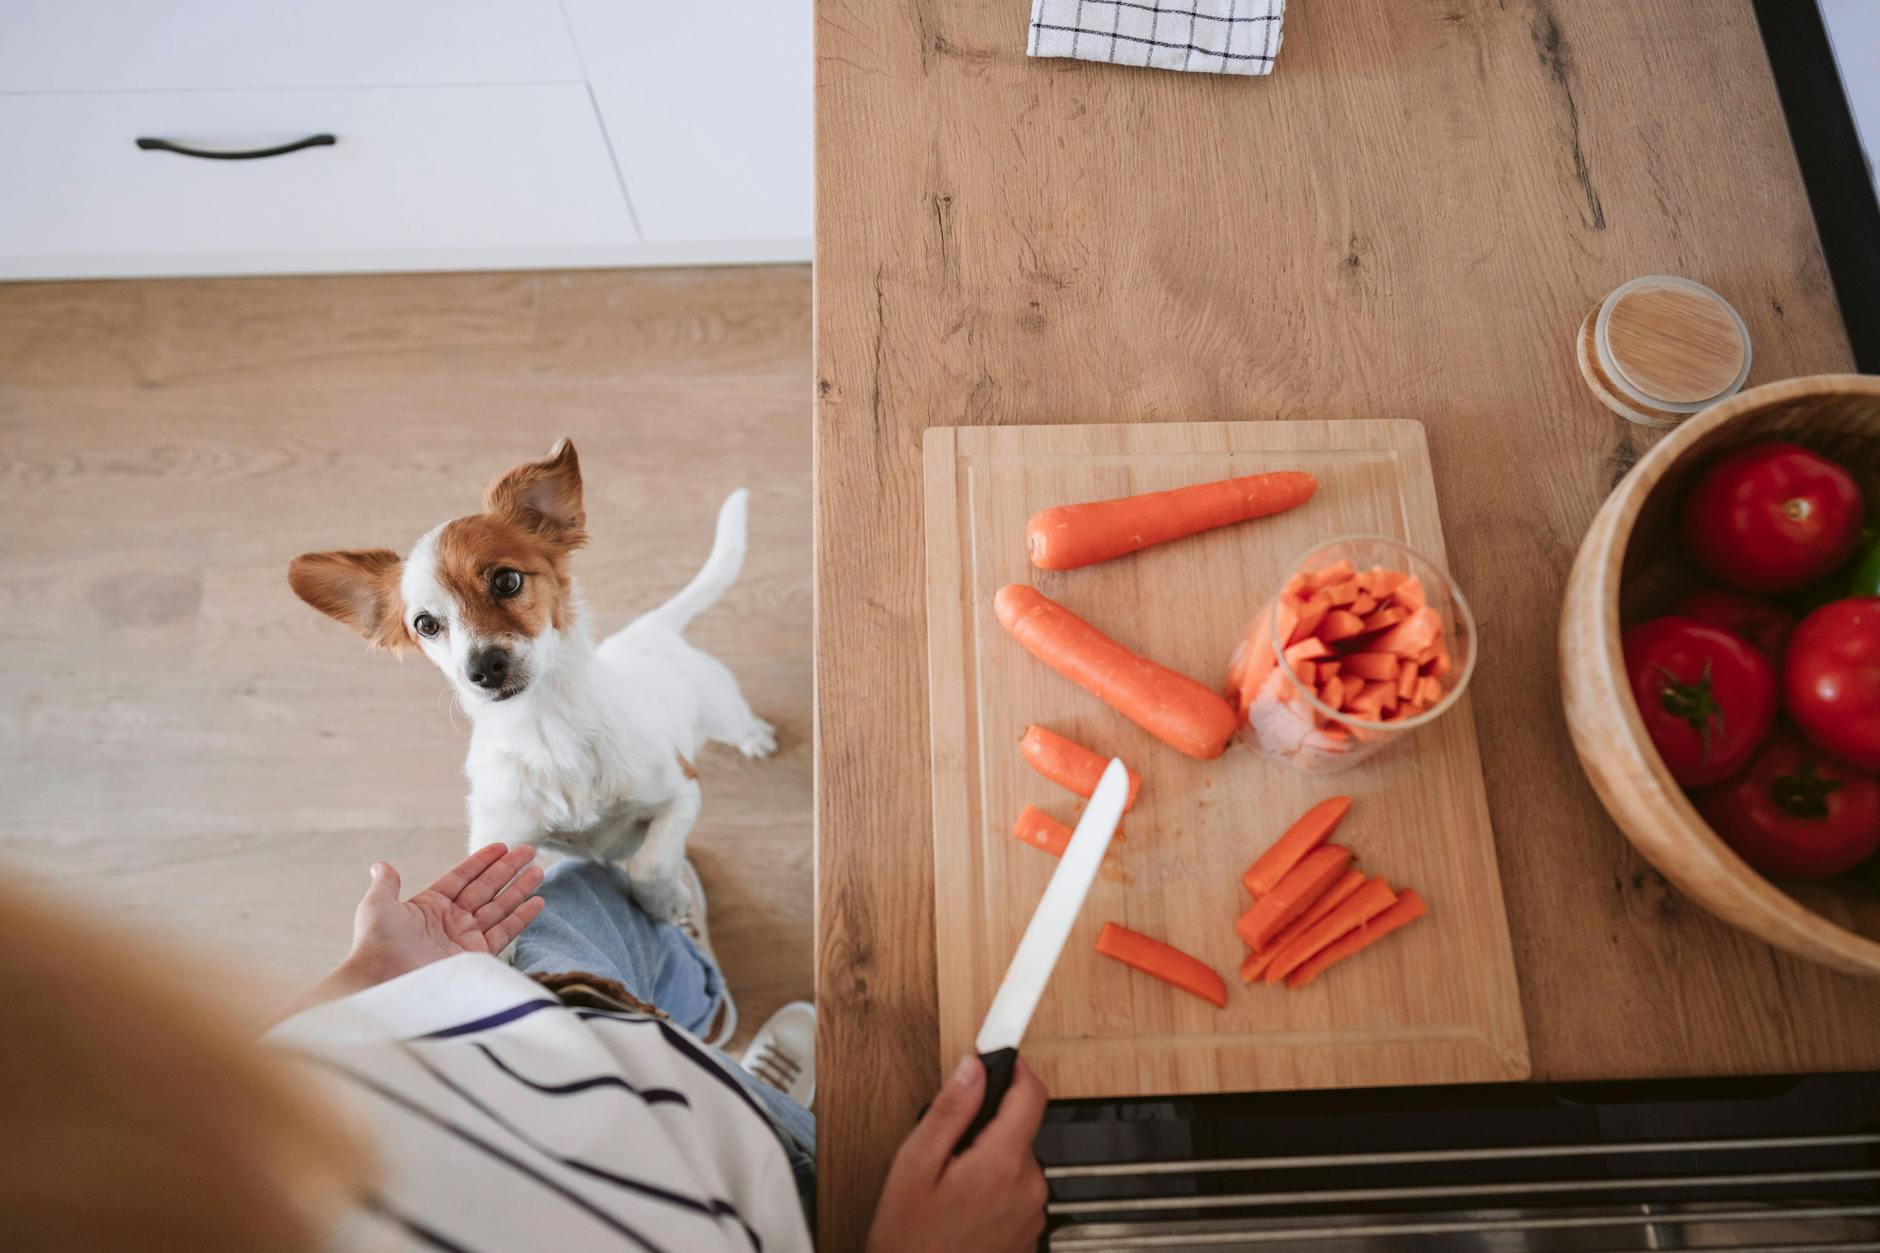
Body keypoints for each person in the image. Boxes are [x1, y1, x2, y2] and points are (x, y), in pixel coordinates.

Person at [0, 840, 1050, 1251]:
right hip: (782, 1209)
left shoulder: (118, 1120)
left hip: (553, 1042)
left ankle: (699, 1021)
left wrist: (362, 984)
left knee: (573, 883)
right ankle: (768, 1106)